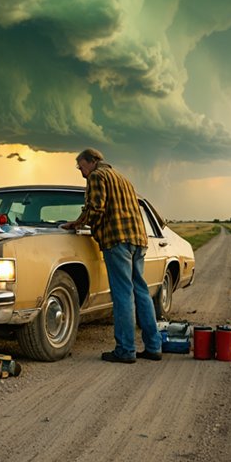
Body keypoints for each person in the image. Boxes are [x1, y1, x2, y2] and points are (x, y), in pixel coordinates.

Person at [61, 148, 162, 363]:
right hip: (138, 240)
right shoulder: (123, 178)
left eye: (81, 167)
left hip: (117, 240)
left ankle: (126, 350)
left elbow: (95, 209)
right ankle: (154, 347)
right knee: (141, 292)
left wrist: (79, 224)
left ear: (92, 161)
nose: (81, 173)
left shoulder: (97, 176)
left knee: (122, 294)